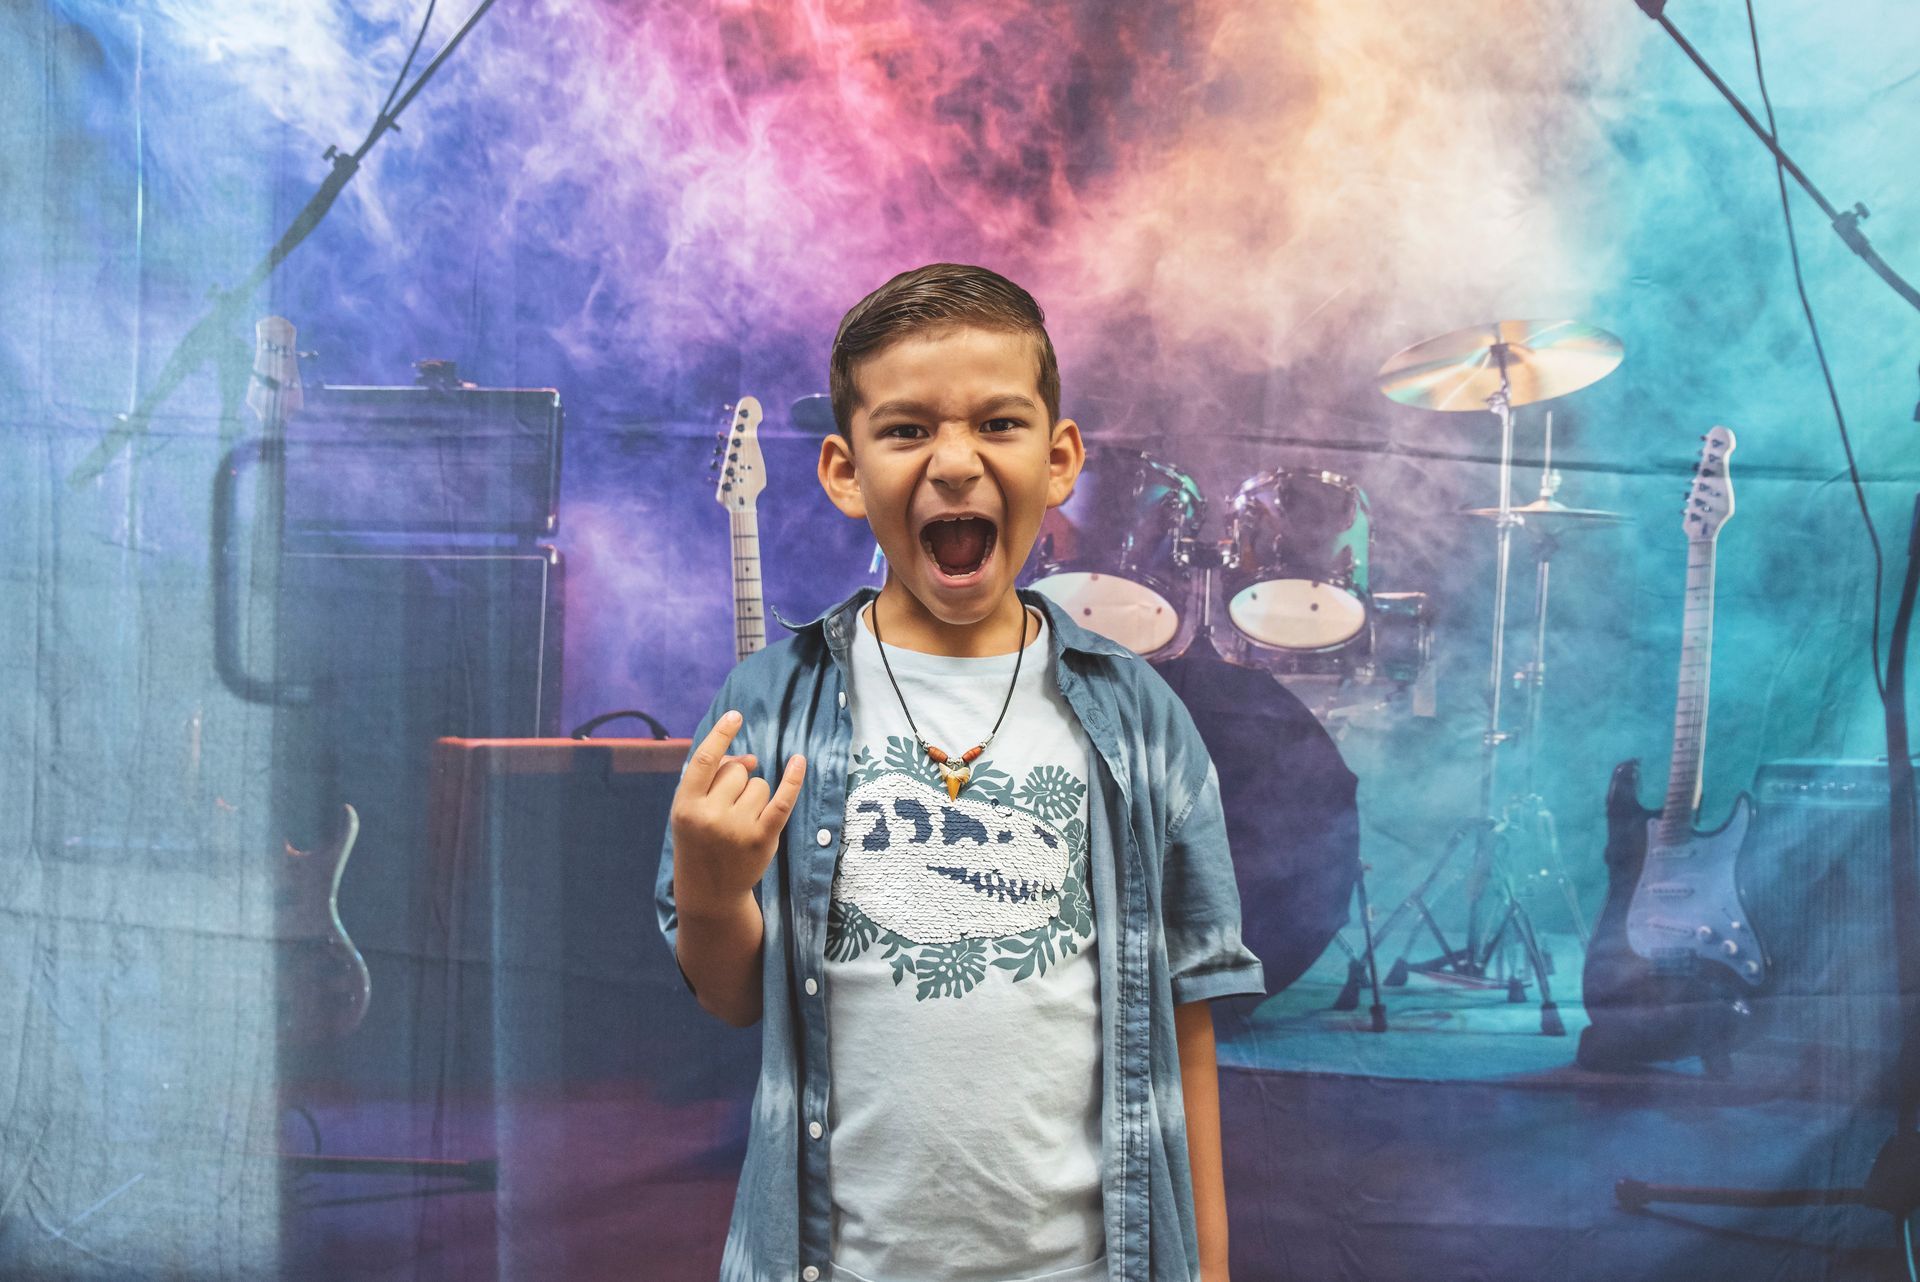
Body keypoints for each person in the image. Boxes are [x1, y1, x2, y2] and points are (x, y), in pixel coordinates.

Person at [656, 263, 1265, 1282]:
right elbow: (730, 998)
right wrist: (715, 891)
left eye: (998, 423)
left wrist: (1205, 1269)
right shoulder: (767, 702)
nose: (953, 461)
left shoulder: (1139, 717)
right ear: (845, 472)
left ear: (1060, 457)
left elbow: (1186, 1009)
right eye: (906, 430)